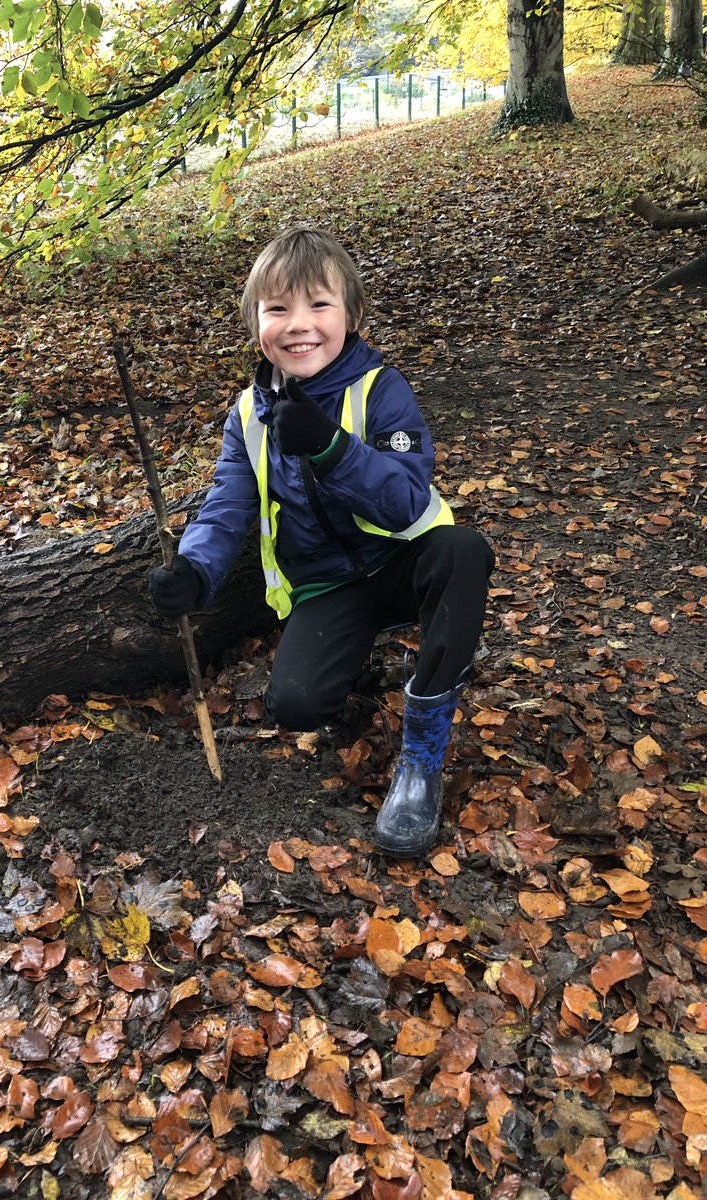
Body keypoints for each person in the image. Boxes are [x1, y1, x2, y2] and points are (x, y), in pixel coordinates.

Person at [148, 227, 495, 857]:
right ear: (255, 322)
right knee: (298, 706)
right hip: (329, 585)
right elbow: (227, 506)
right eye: (277, 308)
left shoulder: (380, 389)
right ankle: (352, 652)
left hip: (403, 561)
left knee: (465, 551)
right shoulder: (248, 415)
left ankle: (420, 761)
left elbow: (406, 500)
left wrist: (331, 448)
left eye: (318, 305)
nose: (298, 325)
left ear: (352, 316)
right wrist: (196, 573)